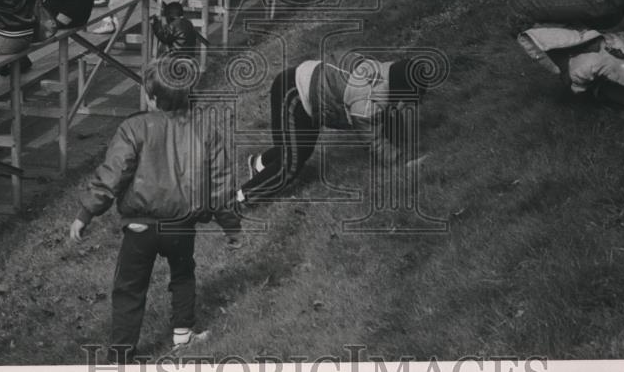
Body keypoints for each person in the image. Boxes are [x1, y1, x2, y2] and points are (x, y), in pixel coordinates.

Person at [69, 59, 241, 360]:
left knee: (129, 288)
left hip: (140, 227)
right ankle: (183, 336)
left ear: (150, 96)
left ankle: (121, 355)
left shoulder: (133, 127)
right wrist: (230, 225)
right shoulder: (205, 130)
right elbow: (220, 184)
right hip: (181, 226)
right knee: (184, 275)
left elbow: (113, 173)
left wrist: (86, 214)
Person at [237, 55, 433, 205]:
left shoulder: (384, 71)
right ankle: (238, 198)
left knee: (299, 149)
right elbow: (373, 141)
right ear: (401, 90)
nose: (411, 106)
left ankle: (259, 163)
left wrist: (403, 143)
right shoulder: (366, 100)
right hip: (292, 92)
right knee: (291, 164)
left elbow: (388, 115)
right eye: (409, 100)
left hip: (308, 88)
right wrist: (401, 161)